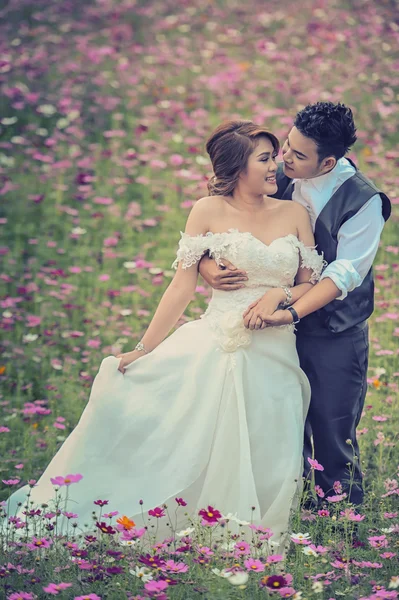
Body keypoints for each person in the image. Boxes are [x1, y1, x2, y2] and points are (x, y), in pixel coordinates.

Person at [6, 121, 325, 546]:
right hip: (215, 339)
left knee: (265, 444)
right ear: (237, 167)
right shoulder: (206, 211)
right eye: (265, 159)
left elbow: (309, 283)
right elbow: (182, 285)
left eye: (274, 157)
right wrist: (142, 348)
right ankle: (178, 520)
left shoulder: (293, 213)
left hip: (275, 347)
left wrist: (280, 296)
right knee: (181, 434)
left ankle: (249, 535)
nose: (276, 167)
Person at [199, 103, 391, 507]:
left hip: (333, 329)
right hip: (272, 327)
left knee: (331, 425)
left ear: (329, 162)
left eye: (297, 155)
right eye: (286, 145)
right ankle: (289, 502)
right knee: (281, 419)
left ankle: (342, 518)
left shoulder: (364, 201)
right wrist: (206, 266)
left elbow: (342, 275)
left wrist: (286, 308)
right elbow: (223, 222)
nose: (283, 158)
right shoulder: (278, 176)